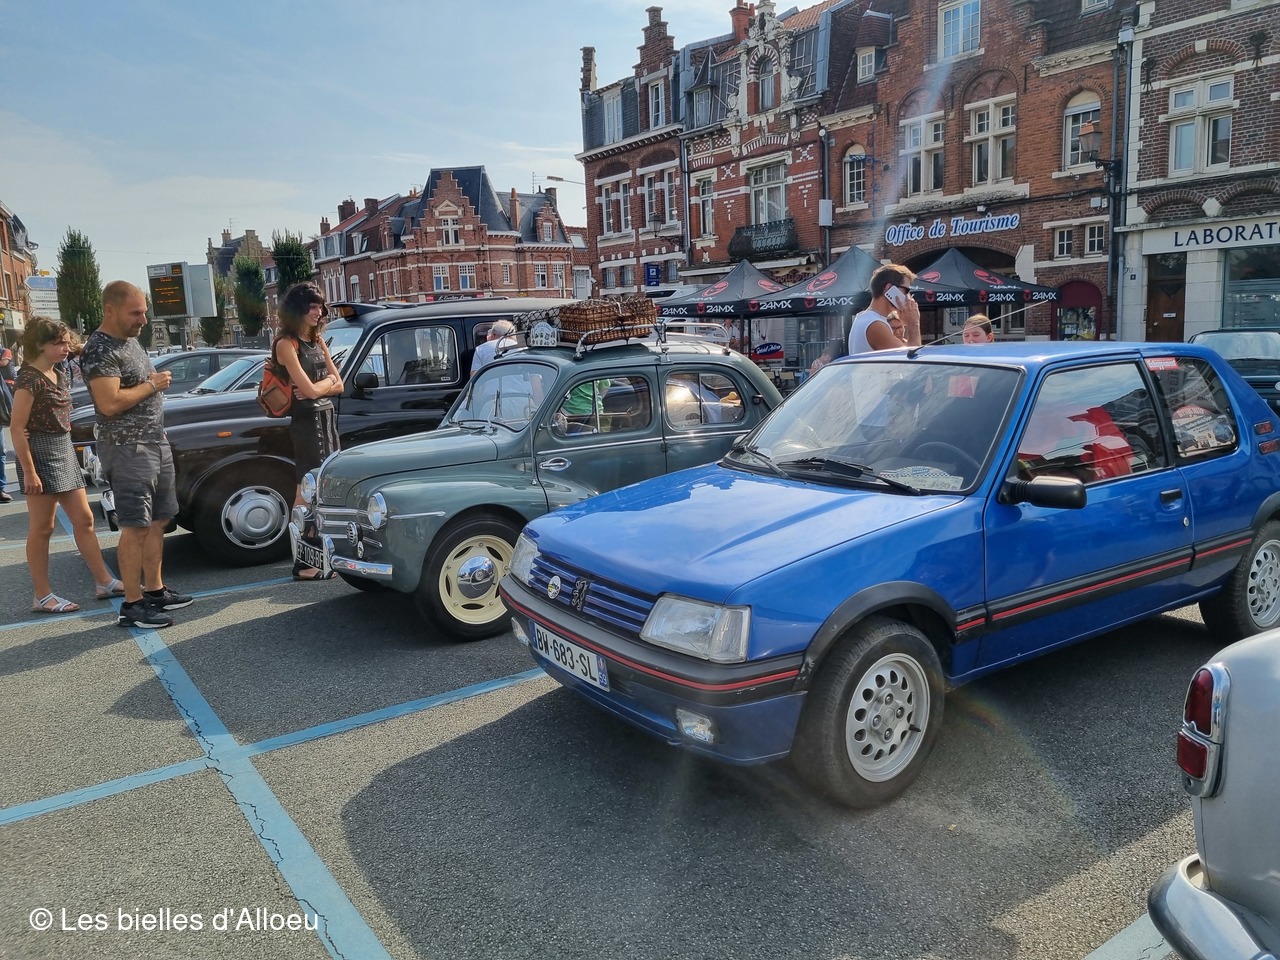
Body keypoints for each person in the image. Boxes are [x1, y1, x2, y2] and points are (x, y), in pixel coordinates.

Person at [81, 281, 192, 628]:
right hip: (127, 448)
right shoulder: (100, 349)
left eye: (144, 312)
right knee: (135, 526)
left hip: (154, 442)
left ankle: (155, 591)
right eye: (135, 313)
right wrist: (152, 385)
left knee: (159, 521)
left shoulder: (130, 340)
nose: (143, 320)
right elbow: (109, 403)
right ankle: (132, 605)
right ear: (110, 310)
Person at [9, 317, 124, 612]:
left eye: (65, 341)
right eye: (58, 343)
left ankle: (104, 581)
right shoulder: (29, 379)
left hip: (62, 449)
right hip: (39, 453)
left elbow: (82, 349)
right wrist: (29, 471)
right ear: (40, 345)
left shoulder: (58, 371)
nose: (65, 347)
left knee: (84, 520)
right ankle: (42, 596)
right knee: (42, 528)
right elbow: (16, 428)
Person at [274, 281, 342, 581]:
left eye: (320, 307)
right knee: (305, 492)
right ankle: (302, 563)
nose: (319, 312)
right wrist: (325, 385)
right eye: (312, 307)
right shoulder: (286, 344)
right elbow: (310, 391)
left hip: (326, 420)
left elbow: (339, 383)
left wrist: (322, 386)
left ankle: (319, 556)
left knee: (322, 489)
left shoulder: (317, 340)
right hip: (306, 424)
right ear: (298, 309)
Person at [848, 264, 922, 355]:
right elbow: (911, 358)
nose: (908, 297)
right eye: (906, 291)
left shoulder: (865, 318)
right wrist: (914, 323)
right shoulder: (875, 325)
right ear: (889, 288)